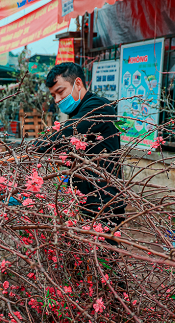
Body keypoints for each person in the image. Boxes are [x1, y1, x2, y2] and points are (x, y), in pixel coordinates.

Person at [33, 62, 124, 228]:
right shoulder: (78, 112)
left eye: (60, 91)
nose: (58, 99)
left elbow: (64, 134)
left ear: (78, 83)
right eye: (53, 95)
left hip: (103, 201)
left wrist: (30, 148)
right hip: (84, 198)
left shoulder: (99, 107)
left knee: (104, 252)